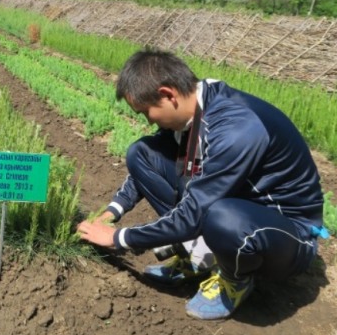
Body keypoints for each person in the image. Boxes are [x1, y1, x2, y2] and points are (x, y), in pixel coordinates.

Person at [76, 49, 325, 320]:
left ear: (168, 94)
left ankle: (234, 280)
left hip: (287, 235)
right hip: (239, 203)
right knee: (142, 153)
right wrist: (112, 211)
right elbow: (143, 169)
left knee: (222, 218)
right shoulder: (195, 109)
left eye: (146, 112)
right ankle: (196, 255)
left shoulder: (236, 128)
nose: (148, 120)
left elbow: (194, 214)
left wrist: (118, 238)